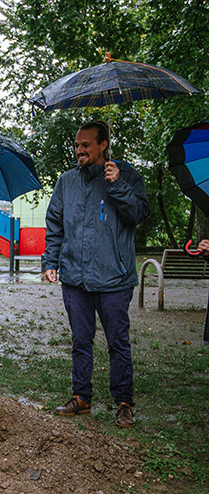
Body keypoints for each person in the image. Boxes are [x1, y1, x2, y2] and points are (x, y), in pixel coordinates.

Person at [42, 120, 149, 428]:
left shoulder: (126, 175)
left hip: (114, 278)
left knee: (118, 341)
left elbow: (138, 215)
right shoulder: (67, 181)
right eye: (77, 145)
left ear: (103, 145)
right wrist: (51, 261)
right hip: (75, 278)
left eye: (86, 145)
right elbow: (55, 225)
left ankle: (124, 402)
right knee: (80, 340)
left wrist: (117, 185)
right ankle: (81, 397)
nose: (79, 150)